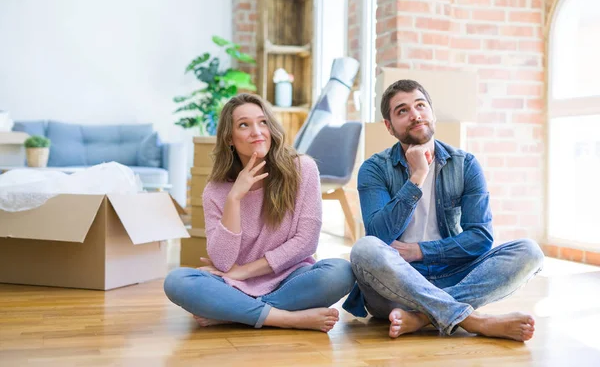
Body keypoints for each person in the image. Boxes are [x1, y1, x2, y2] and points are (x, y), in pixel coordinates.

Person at [343, 79, 544, 342]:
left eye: (420, 105)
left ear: (432, 113)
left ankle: (424, 317)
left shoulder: (465, 165)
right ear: (389, 127)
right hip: (395, 286)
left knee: (529, 252)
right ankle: (475, 321)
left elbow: (481, 238)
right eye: (402, 111)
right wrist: (416, 177)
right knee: (364, 249)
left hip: (451, 276)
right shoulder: (374, 168)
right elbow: (379, 236)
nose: (415, 115)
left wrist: (420, 251)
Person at [164, 93, 355, 333]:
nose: (257, 131)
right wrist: (234, 197)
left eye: (263, 122)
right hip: (233, 285)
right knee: (176, 282)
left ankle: (234, 314)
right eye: (244, 125)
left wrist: (243, 271)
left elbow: (306, 242)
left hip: (291, 278)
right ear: (229, 138)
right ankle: (287, 318)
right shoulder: (215, 190)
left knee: (341, 272)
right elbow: (222, 261)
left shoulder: (302, 168)